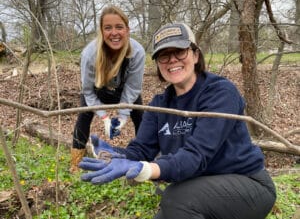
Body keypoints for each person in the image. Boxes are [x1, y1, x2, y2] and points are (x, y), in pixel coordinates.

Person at [79, 23, 276, 219]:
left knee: (176, 199)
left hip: (248, 185)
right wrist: (119, 156)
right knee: (172, 209)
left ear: (195, 55)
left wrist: (147, 170)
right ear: (158, 64)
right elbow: (141, 150)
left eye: (180, 51)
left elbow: (196, 156)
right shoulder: (159, 106)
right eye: (164, 55)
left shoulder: (220, 93)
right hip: (199, 187)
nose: (172, 60)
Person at [70, 5, 145, 173]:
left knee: (141, 115)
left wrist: (122, 116)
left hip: (124, 90)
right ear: (102, 31)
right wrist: (104, 117)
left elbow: (133, 88)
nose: (114, 33)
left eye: (119, 27)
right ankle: (76, 164)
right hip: (98, 90)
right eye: (108, 28)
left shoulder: (137, 51)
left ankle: (145, 160)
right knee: (83, 115)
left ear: (127, 29)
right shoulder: (90, 54)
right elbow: (87, 91)